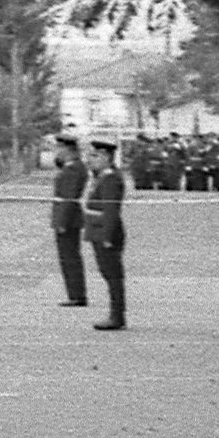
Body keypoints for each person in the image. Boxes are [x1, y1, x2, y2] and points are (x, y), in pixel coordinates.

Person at [83, 137, 129, 332]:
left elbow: (111, 211)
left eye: (94, 156)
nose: (89, 160)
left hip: (105, 232)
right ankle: (115, 314)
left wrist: (107, 237)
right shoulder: (102, 176)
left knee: (113, 275)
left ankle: (117, 316)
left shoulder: (110, 179)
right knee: (108, 273)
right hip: (98, 230)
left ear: (106, 157)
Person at [47, 132, 90, 308]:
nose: (57, 151)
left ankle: (77, 295)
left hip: (68, 217)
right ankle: (75, 293)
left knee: (70, 256)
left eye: (59, 148)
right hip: (66, 215)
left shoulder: (73, 169)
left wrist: (62, 221)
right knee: (68, 256)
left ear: (67, 149)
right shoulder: (72, 166)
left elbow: (69, 197)